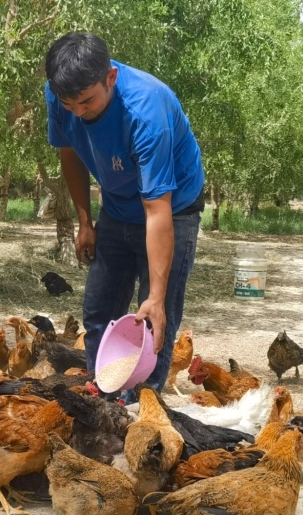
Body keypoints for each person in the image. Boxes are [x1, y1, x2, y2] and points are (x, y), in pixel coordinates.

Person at [44, 32, 204, 394]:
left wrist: (157, 298)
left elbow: (157, 209)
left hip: (172, 209)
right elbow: (69, 151)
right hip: (116, 205)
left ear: (111, 78)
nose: (78, 112)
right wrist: (85, 221)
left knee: (151, 323)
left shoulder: (146, 110)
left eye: (86, 102)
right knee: (98, 311)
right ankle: (103, 404)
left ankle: (138, 414)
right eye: (69, 105)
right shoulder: (61, 94)